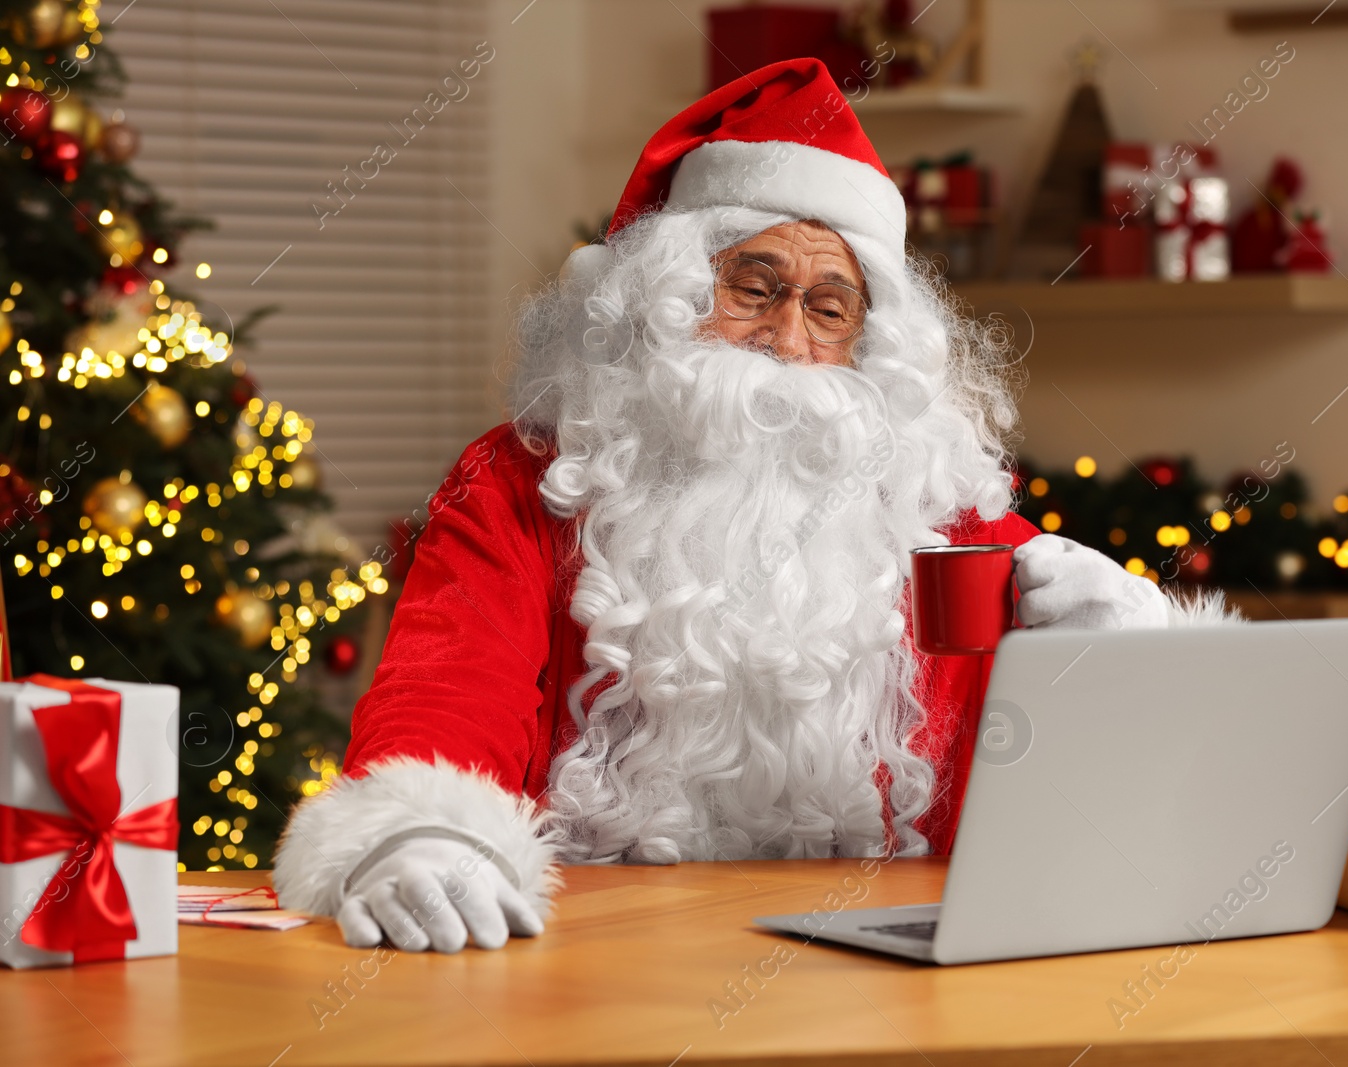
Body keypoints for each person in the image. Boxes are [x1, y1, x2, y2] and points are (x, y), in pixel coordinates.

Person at [274, 58, 1231, 953]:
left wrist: (1136, 654)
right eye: (754, 287)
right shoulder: (522, 483)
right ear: (662, 301)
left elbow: (1103, 796)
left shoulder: (941, 509)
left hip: (890, 989)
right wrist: (420, 833)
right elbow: (446, 692)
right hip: (582, 966)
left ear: (871, 342)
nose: (785, 341)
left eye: (829, 307)